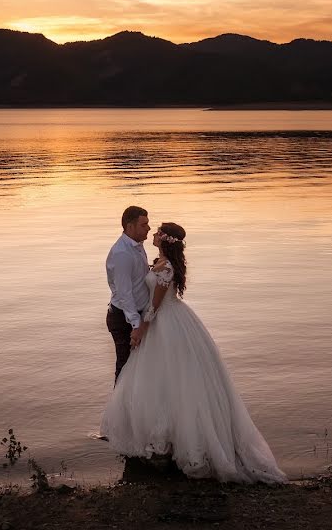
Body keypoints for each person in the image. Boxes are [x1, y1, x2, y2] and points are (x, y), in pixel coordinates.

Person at [100, 222, 287, 483]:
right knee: (164, 380)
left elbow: (154, 308)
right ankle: (165, 437)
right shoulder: (159, 262)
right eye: (149, 227)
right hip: (169, 320)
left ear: (165, 240)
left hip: (164, 323)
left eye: (157, 232)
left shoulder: (166, 269)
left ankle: (172, 439)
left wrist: (140, 328)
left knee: (169, 379)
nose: (152, 232)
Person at [105, 206, 151, 384]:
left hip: (135, 315)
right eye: (144, 224)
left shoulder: (137, 246)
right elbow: (124, 293)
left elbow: (137, 279)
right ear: (130, 227)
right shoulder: (122, 253)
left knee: (138, 369)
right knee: (125, 369)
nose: (148, 228)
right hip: (123, 319)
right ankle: (118, 411)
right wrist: (136, 325)